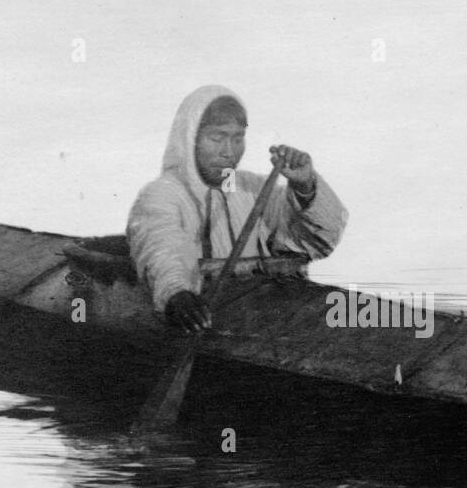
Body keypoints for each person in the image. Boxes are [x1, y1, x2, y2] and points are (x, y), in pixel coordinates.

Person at [127, 85, 348, 334]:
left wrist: (304, 185)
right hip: (206, 328)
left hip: (266, 326)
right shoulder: (163, 195)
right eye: (217, 138)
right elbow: (161, 246)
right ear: (190, 139)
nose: (228, 152)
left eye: (237, 138)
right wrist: (176, 292)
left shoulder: (253, 189)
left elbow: (318, 241)